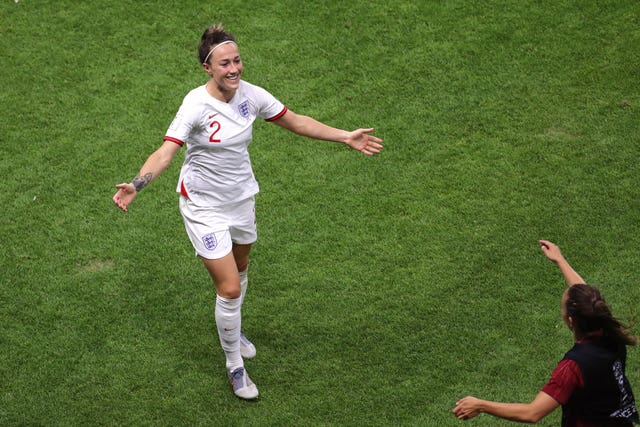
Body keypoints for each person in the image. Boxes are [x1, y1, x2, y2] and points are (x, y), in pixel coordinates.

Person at [112, 24, 382, 400]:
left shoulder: (249, 96)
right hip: (203, 206)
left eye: (237, 60)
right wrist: (136, 185)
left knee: (241, 268)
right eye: (225, 63)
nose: (234, 68)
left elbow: (294, 120)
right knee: (229, 286)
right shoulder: (194, 106)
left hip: (241, 200)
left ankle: (233, 326)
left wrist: (344, 136)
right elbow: (166, 152)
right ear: (208, 67)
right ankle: (234, 366)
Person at [452, 240, 639, 426]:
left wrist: (481, 405)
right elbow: (586, 298)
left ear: (570, 321)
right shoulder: (610, 332)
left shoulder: (573, 367)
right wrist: (559, 259)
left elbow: (532, 413)